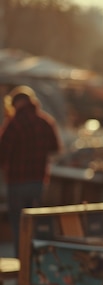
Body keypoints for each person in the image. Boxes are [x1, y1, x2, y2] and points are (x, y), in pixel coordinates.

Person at [0, 86, 62, 256]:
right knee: (36, 224)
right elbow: (56, 148)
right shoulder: (45, 122)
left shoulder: (13, 124)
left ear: (15, 103)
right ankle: (37, 261)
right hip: (38, 182)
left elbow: (2, 154)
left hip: (17, 182)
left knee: (18, 224)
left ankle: (22, 262)